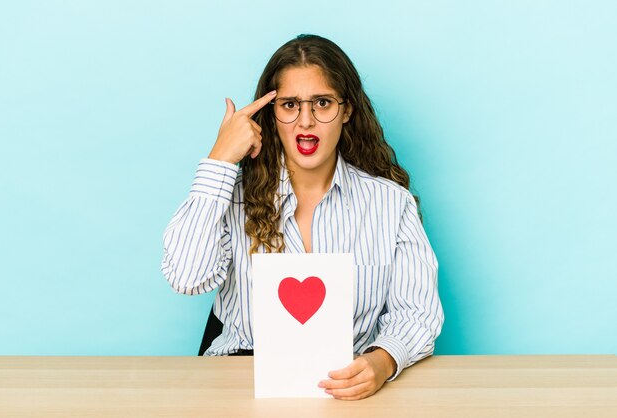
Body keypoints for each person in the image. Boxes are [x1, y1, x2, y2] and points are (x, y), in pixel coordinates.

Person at [161, 34, 443, 400]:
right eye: (290, 105)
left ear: (347, 110)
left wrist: (383, 360)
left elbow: (417, 312)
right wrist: (219, 161)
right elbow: (186, 277)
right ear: (271, 114)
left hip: (345, 389)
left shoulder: (391, 204)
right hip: (239, 385)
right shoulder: (233, 197)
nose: (305, 122)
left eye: (322, 103)